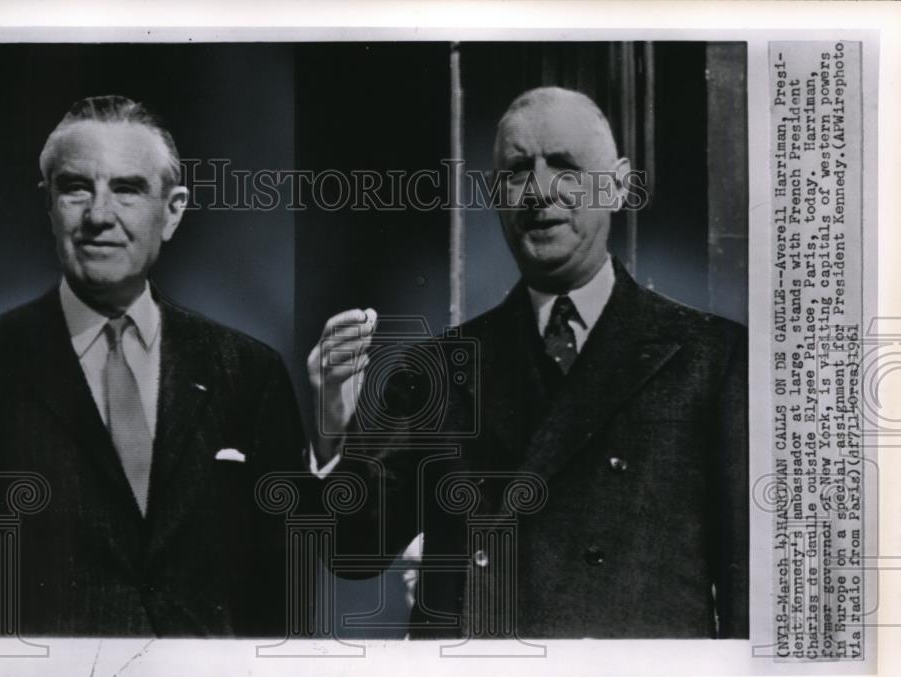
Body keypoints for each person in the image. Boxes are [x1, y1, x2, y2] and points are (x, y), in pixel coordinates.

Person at [310, 87, 748, 639]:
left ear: (615, 185)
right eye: (518, 171)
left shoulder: (712, 358)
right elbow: (352, 551)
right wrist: (334, 427)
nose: (539, 191)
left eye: (564, 167)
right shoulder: (439, 368)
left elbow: (749, 594)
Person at [0, 95, 306, 637]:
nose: (99, 215)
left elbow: (283, 602)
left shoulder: (249, 374)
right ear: (48, 204)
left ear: (172, 211)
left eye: (127, 189)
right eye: (76, 187)